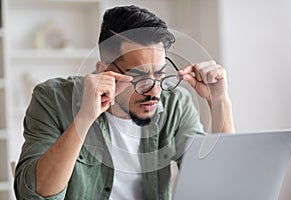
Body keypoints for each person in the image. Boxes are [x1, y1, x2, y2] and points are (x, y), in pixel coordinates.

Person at [14, 5, 235, 200]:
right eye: (139, 77)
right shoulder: (52, 99)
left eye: (159, 74)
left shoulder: (175, 103)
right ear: (104, 71)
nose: (154, 91)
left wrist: (219, 100)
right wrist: (84, 118)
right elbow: (34, 195)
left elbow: (222, 184)